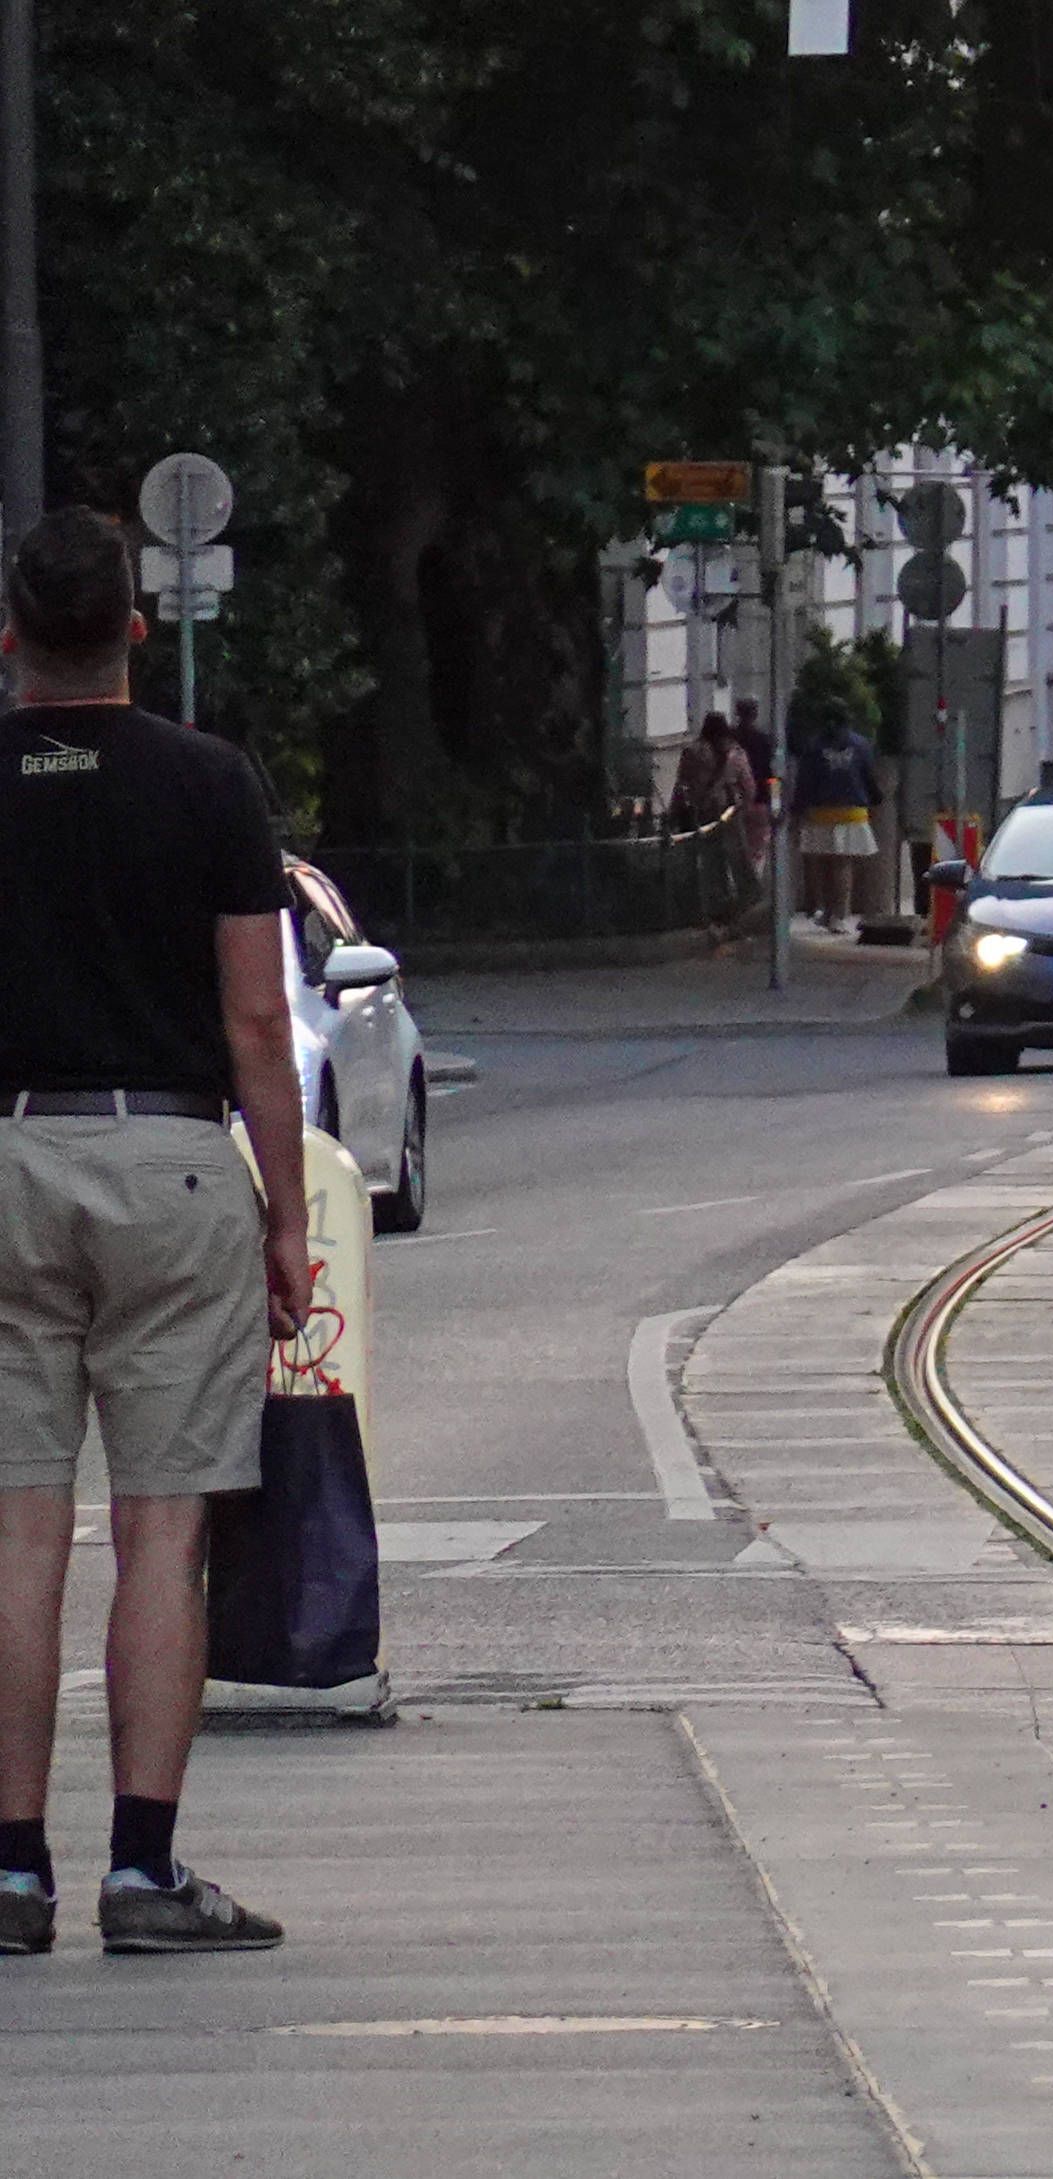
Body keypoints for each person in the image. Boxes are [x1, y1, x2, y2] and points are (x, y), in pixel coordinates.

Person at [0, 509, 305, 1957]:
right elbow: (258, 1023)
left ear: (10, 637)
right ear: (133, 624)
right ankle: (139, 1868)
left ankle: (8, 1874)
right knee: (160, 1525)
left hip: (5, 1150)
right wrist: (291, 1222)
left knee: (13, 1527)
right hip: (175, 1156)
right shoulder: (209, 783)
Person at [796, 713, 883, 932]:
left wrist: (797, 807)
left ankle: (827, 911)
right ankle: (840, 915)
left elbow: (804, 780)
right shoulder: (861, 744)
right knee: (843, 864)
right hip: (852, 812)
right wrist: (876, 798)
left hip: (820, 811)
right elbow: (869, 776)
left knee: (824, 863)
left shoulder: (814, 746)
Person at [670, 710, 760, 857]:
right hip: (728, 815)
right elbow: (749, 789)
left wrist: (674, 812)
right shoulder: (736, 754)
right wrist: (742, 810)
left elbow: (681, 785)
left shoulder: (692, 752)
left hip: (699, 814)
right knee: (734, 860)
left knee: (706, 861)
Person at [729, 696, 779, 869]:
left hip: (732, 805)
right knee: (757, 854)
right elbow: (773, 776)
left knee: (734, 852)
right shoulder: (766, 741)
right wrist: (777, 805)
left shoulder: (729, 739)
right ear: (755, 715)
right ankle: (753, 886)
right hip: (760, 803)